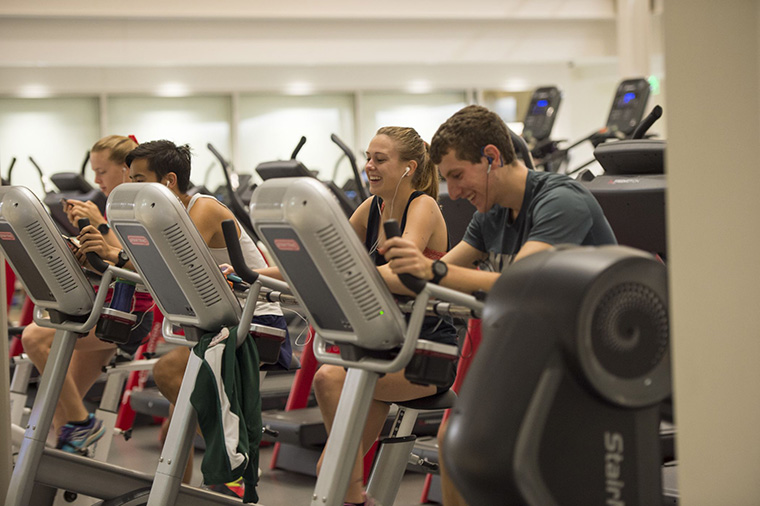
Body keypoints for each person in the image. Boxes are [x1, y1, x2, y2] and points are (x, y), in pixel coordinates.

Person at [380, 105, 618, 506]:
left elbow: (522, 285)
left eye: (457, 176)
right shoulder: (490, 215)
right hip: (536, 354)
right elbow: (435, 274)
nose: (453, 193)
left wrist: (429, 271)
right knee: (454, 442)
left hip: (590, 363)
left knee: (483, 447)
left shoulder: (561, 200)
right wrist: (375, 274)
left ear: (491, 157)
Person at [119, 139, 291, 496]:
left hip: (255, 322)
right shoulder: (168, 215)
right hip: (220, 320)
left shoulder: (203, 209)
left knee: (167, 373)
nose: (131, 189)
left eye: (138, 180)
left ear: (168, 180)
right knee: (174, 420)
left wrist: (116, 252)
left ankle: (232, 462)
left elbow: (169, 262)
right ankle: (175, 491)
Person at [311, 126, 458, 506]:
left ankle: (357, 497)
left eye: (380, 160)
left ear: (409, 167)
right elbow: (329, 256)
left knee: (329, 378)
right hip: (382, 352)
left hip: (425, 355)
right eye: (368, 158)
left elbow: (404, 271)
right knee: (331, 469)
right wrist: (253, 271)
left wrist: (343, 273)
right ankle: (356, 496)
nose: (369, 167)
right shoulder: (372, 207)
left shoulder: (422, 206)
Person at [21, 134, 155, 454]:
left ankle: (83, 425)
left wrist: (101, 227)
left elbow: (136, 265)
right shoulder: (111, 207)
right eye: (93, 171)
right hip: (102, 306)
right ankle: (64, 475)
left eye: (102, 171)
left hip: (126, 315)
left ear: (125, 170)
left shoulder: (137, 208)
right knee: (57, 405)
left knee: (34, 338)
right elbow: (104, 260)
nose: (95, 180)